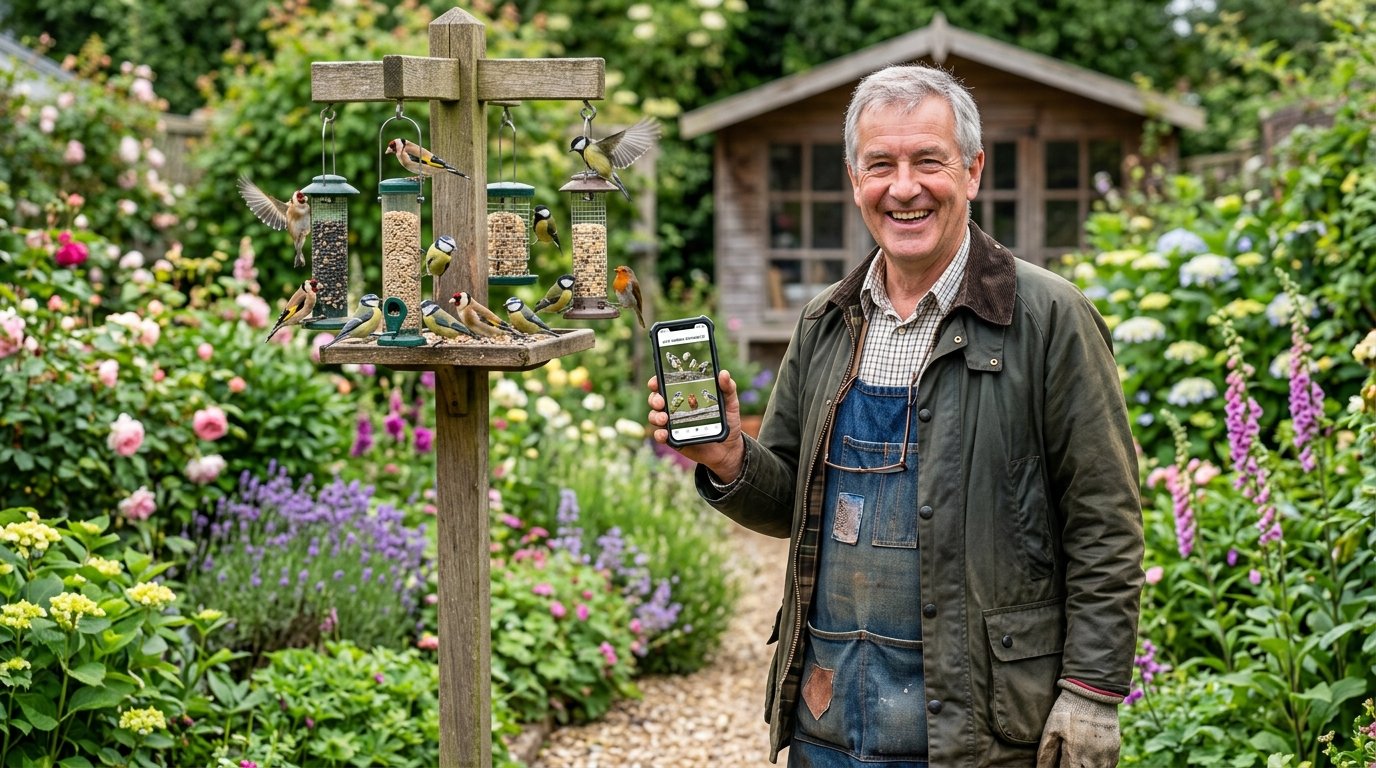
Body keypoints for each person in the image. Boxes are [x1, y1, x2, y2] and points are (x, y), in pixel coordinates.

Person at [647, 64, 1143, 767]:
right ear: (856, 181)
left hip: (978, 730)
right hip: (830, 719)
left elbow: (1105, 521)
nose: (903, 187)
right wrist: (729, 455)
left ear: (971, 171)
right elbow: (791, 500)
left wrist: (1092, 692)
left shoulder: (1048, 317)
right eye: (880, 164)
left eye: (927, 162)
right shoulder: (826, 321)